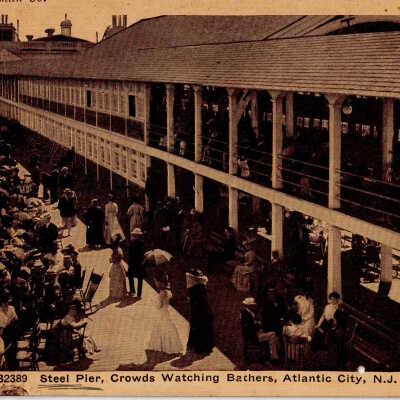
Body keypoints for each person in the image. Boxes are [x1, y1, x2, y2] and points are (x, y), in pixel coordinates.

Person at [147, 282, 183, 355]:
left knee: (160, 328)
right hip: (166, 311)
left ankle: (162, 346)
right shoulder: (168, 292)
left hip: (161, 312)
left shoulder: (161, 293)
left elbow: (159, 305)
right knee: (169, 328)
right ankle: (172, 346)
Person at [186, 269, 214, 354]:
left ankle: (196, 345)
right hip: (202, 309)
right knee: (203, 328)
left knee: (196, 327)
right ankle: (203, 347)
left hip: (196, 310)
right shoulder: (200, 286)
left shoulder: (191, 286)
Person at [127, 228, 145, 298]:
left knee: (130, 277)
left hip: (133, 262)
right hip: (140, 263)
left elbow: (129, 253)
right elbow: (143, 253)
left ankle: (132, 291)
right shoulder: (142, 243)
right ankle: (139, 294)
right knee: (140, 279)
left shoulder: (131, 243)